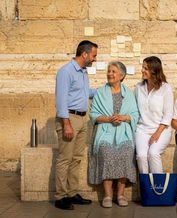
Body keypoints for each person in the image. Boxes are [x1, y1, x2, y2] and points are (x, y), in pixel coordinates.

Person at [88, 61, 139, 208]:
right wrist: (109, 119)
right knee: (106, 151)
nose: (110, 74)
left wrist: (124, 117)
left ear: (121, 76)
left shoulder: (128, 93)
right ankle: (108, 195)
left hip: (123, 132)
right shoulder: (100, 93)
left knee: (126, 151)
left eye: (113, 72)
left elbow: (135, 115)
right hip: (105, 131)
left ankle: (120, 194)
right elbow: (93, 115)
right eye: (109, 71)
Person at [54, 40, 98, 210]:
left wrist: (105, 90)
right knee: (64, 159)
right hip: (69, 119)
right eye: (93, 55)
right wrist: (66, 124)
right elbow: (61, 100)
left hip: (82, 118)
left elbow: (84, 93)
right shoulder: (66, 71)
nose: (94, 59)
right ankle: (60, 197)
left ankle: (71, 193)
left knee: (76, 159)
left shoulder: (82, 72)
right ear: (84, 54)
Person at [134, 56, 173, 173]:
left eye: (145, 68)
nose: (142, 70)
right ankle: (146, 189)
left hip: (162, 130)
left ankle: (158, 188)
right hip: (142, 129)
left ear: (154, 71)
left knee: (153, 153)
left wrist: (157, 133)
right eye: (142, 67)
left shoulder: (166, 89)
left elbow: (168, 115)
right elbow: (135, 110)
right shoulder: (138, 87)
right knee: (141, 156)